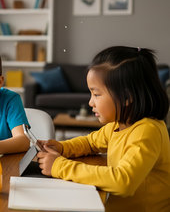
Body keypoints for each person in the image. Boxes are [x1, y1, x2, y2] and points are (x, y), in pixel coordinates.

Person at [37, 46, 170, 211]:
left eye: (96, 94)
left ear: (127, 97)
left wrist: (59, 166)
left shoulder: (147, 131)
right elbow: (90, 142)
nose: (90, 102)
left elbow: (123, 182)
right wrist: (63, 147)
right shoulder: (118, 125)